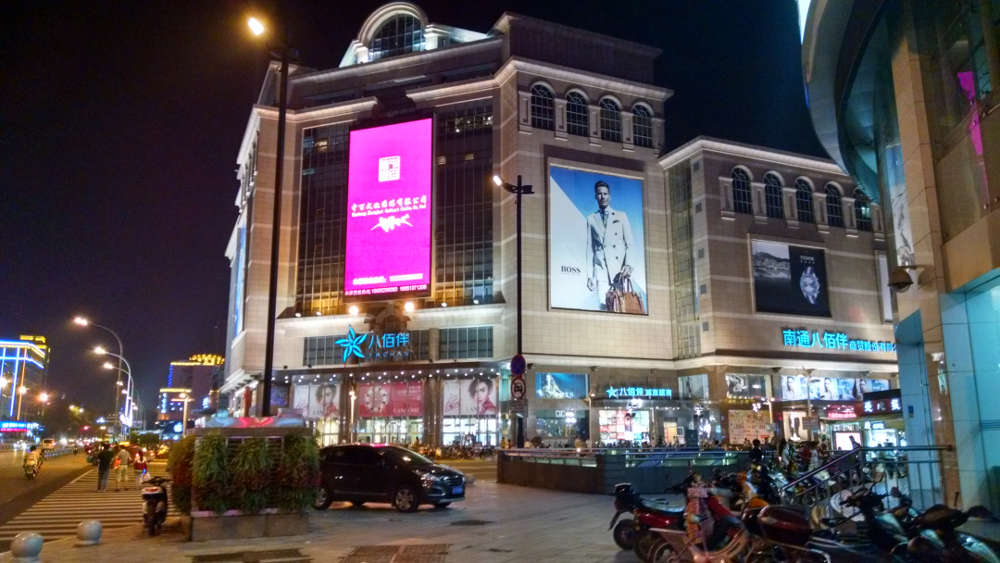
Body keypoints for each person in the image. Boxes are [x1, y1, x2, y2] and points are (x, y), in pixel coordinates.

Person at [585, 180, 641, 312]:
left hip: (619, 272)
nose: (602, 197)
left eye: (605, 194)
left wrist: (628, 265)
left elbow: (630, 244)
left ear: (609, 196)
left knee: (621, 307)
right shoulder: (591, 219)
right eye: (599, 194)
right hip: (601, 271)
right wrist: (589, 276)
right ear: (595, 196)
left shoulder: (621, 216)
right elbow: (590, 249)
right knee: (604, 307)